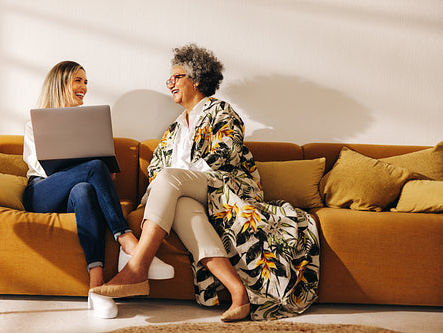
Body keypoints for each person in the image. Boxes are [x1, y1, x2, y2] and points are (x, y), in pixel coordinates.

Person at [90, 45, 320, 321]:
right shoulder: (174, 128)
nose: (170, 84)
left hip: (221, 187)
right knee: (182, 203)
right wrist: (174, 182)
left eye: (176, 77)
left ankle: (138, 265)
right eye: (169, 79)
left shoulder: (220, 111)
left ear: (196, 79)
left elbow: (227, 151)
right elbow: (156, 168)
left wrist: (177, 177)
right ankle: (238, 292)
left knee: (171, 180)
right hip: (186, 193)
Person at [22, 61, 173, 318]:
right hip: (41, 192)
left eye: (86, 82)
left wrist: (102, 173)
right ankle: (127, 240)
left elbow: (93, 176)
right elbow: (40, 167)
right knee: (91, 168)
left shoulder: (90, 126)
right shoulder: (36, 122)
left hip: (74, 193)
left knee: (84, 190)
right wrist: (89, 167)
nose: (84, 87)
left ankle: (97, 284)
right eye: (78, 81)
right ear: (61, 83)